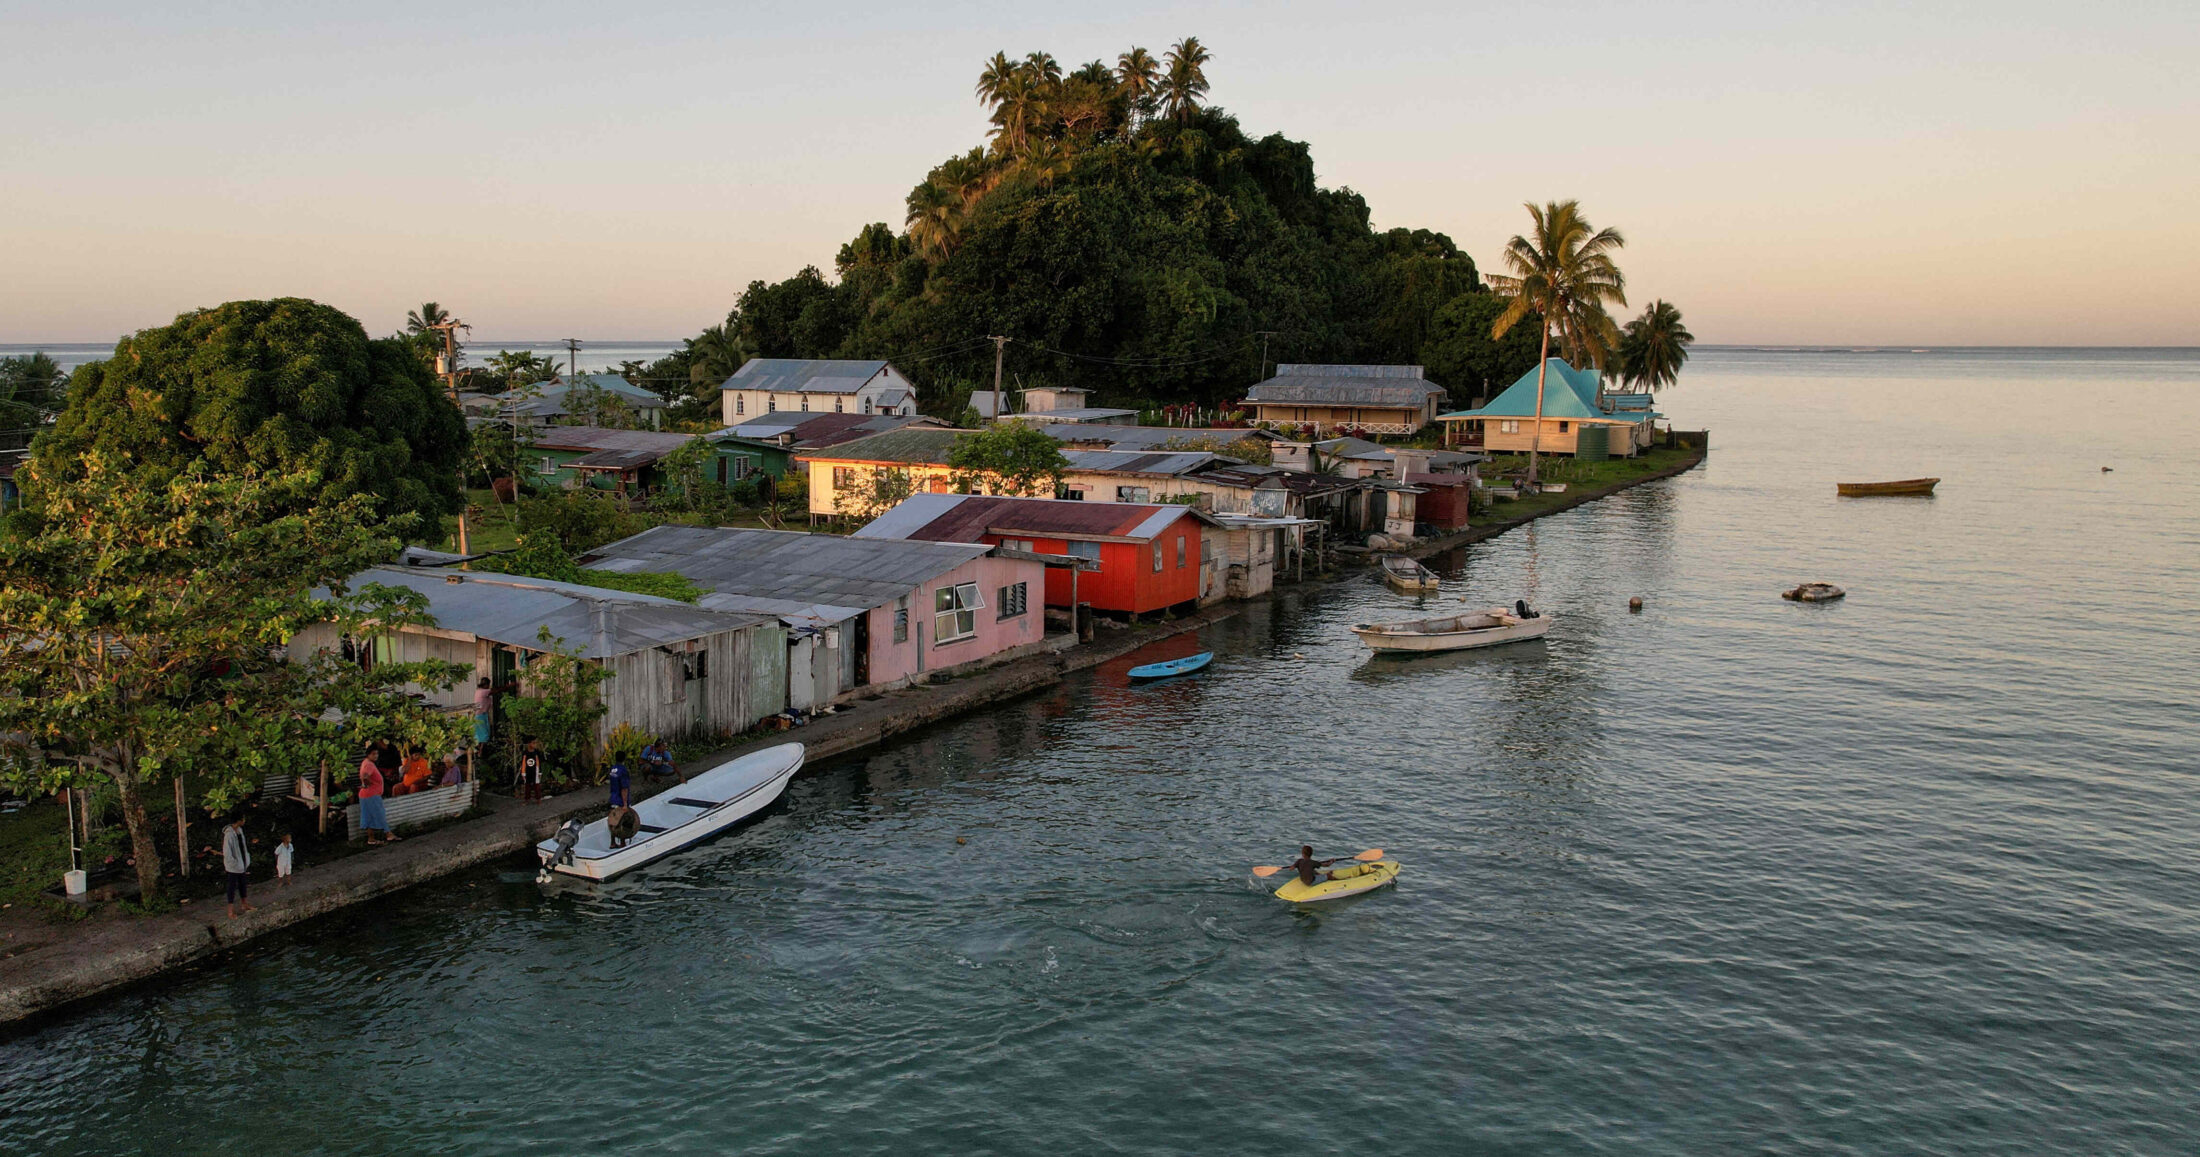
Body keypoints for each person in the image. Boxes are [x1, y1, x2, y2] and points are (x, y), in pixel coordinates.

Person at [358, 745, 399, 844]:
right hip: (371, 795)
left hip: (366, 795)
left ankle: (371, 839)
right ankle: (388, 834)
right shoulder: (369, 765)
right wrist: (366, 783)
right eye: (373, 754)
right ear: (368, 754)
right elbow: (365, 776)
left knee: (369, 817)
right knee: (379, 814)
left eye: (377, 754)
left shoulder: (366, 762)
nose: (376, 756)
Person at [222, 815, 256, 918]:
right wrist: (234, 863)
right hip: (234, 866)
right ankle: (230, 911)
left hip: (242, 863)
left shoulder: (240, 831)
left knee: (243, 884)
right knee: (231, 887)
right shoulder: (229, 835)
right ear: (239, 820)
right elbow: (227, 852)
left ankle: (244, 904)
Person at [606, 758, 634, 848]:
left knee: (613, 821)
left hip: (613, 798)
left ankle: (612, 842)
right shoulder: (623, 771)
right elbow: (624, 788)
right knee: (623, 821)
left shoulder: (613, 769)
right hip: (620, 800)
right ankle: (622, 843)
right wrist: (625, 804)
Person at [518, 739, 545, 804]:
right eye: (533, 743)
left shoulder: (537, 752)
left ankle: (538, 799)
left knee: (537, 786)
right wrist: (523, 773)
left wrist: (539, 772)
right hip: (527, 771)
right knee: (527, 786)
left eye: (535, 743)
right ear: (529, 744)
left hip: (535, 771)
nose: (535, 745)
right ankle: (527, 799)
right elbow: (524, 763)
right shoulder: (525, 753)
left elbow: (539, 762)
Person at [472, 677, 495, 746]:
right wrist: (509, 686)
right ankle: (481, 751)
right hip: (480, 716)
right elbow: (496, 690)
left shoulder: (479, 691)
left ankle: (479, 751)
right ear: (486, 685)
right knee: (483, 734)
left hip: (480, 715)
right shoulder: (483, 691)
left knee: (481, 734)